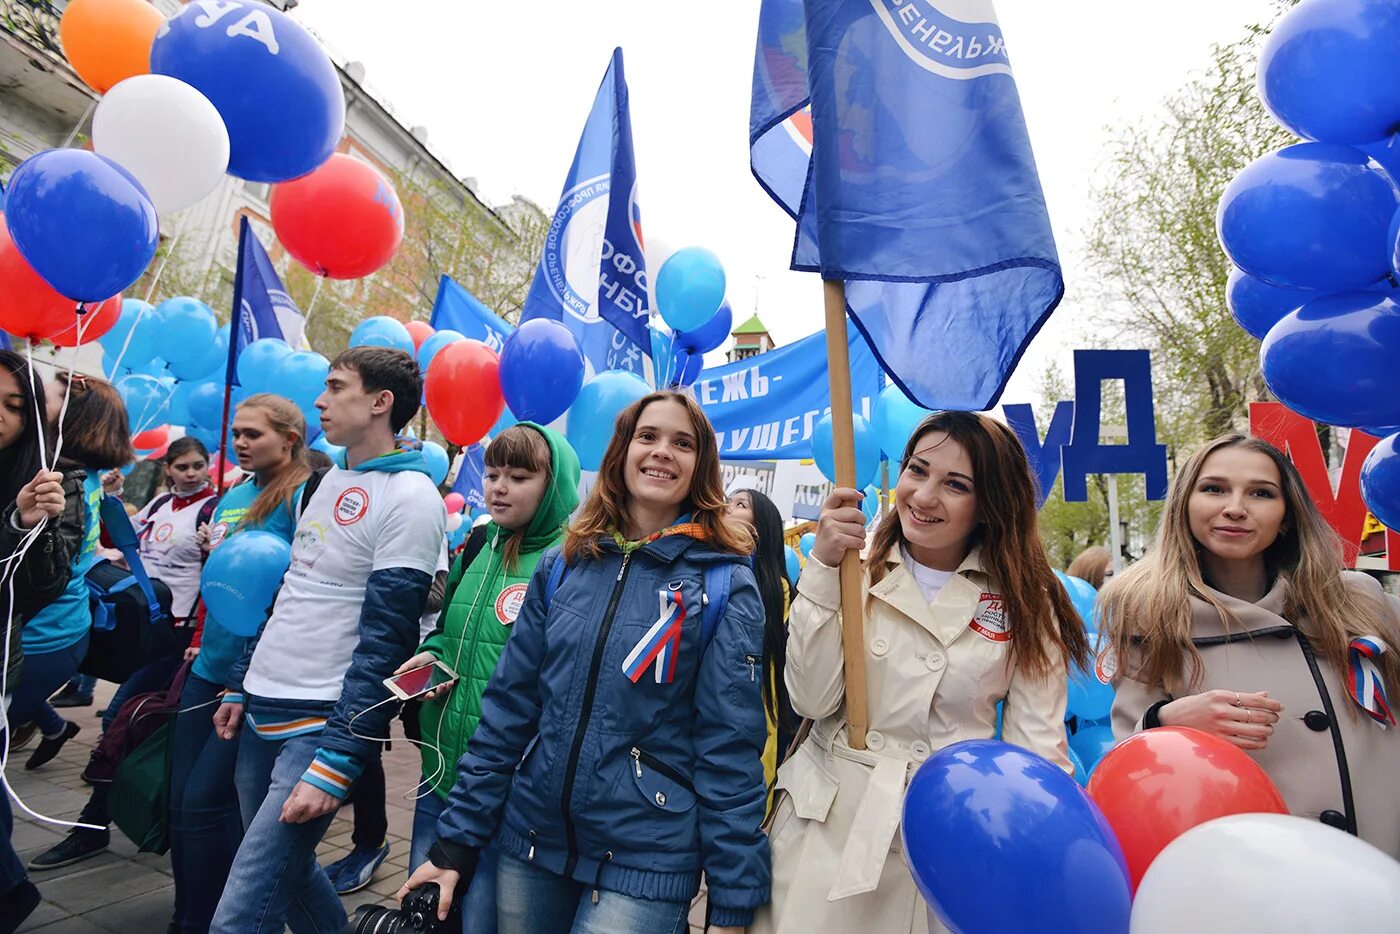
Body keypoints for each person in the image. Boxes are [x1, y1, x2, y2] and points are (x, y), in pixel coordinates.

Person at [401, 390, 768, 934]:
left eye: (682, 443)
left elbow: (729, 747)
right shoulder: (564, 565)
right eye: (648, 436)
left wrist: (733, 902)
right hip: (530, 842)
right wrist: (456, 841)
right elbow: (508, 710)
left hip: (646, 861)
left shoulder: (723, 583)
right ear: (622, 451)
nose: (662, 451)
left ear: (701, 465)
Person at [754, 411, 1089, 934]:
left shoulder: (1028, 602)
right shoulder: (851, 570)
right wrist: (820, 570)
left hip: (946, 845)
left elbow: (1036, 757)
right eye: (917, 470)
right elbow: (812, 700)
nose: (924, 496)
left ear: (990, 504)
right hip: (828, 836)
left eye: (955, 484)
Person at [209, 348, 445, 934]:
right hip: (262, 706)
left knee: (239, 915)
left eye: (336, 386)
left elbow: (387, 640)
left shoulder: (413, 498)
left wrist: (338, 761)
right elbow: (290, 590)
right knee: (288, 879)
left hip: (318, 723)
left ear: (379, 403)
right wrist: (241, 683)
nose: (320, 399)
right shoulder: (325, 478)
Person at [1103, 434, 1400, 858]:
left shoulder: (1358, 601)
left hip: (1382, 868)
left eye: (1261, 493)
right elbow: (1129, 768)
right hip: (1259, 877)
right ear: (1184, 505)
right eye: (1214, 489)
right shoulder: (1149, 618)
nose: (1235, 508)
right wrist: (1166, 721)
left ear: (1286, 517)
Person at [385, 422, 579, 925]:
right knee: (422, 912)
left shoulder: (571, 564)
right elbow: (448, 628)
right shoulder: (477, 544)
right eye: (493, 473)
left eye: (518, 476)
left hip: (506, 791)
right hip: (439, 772)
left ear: (553, 486)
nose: (499, 486)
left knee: (481, 919)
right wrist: (431, 657)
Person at [28, 436, 219, 871]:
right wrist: (109, 497)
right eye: (182, 466)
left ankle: (92, 829)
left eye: (198, 465)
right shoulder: (155, 506)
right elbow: (122, 541)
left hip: (181, 638)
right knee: (137, 727)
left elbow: (216, 580)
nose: (191, 473)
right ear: (168, 469)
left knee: (120, 720)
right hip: (147, 628)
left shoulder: (214, 510)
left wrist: (200, 637)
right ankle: (138, 818)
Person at [157, 395, 312, 932]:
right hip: (207, 667)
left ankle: (203, 920)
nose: (241, 442)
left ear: (290, 437)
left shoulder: (302, 496)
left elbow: (295, 590)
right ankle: (189, 911)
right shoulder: (233, 493)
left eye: (253, 434)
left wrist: (244, 679)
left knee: (202, 806)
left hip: (252, 680)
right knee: (180, 805)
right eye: (237, 433)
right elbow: (227, 580)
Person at [8, 373, 131, 771]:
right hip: (50, 633)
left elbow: (46, 576)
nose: (32, 403)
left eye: (44, 398)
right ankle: (55, 727)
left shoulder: (64, 483)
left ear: (73, 418)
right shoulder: (74, 472)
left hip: (44, 638)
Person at [0, 351, 69, 932]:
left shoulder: (45, 480)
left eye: (14, 406)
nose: (0, 416)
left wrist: (28, 525)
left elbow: (43, 587)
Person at [726, 488, 799, 805]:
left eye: (739, 504)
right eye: (727, 500)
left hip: (754, 712)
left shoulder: (776, 590)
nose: (725, 507)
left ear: (760, 529)